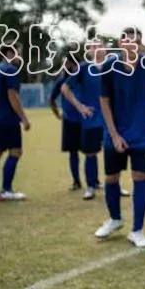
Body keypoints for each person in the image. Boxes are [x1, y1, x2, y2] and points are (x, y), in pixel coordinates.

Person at [93, 30, 145, 248]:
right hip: (115, 134)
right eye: (129, 42)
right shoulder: (110, 67)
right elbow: (104, 101)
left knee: (140, 177)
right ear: (121, 43)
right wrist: (114, 135)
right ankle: (115, 219)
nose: (133, 46)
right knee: (111, 178)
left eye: (137, 42)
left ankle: (137, 230)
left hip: (141, 134)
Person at [62, 41, 130, 200]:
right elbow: (64, 88)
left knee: (114, 152)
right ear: (88, 51)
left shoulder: (115, 65)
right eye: (92, 47)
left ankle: (116, 185)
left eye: (99, 46)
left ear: (105, 49)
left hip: (112, 119)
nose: (96, 49)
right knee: (90, 154)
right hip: (92, 119)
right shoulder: (84, 68)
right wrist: (80, 107)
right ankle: (91, 186)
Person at [0, 43, 30, 202]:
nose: (21, 56)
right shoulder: (10, 70)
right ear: (11, 52)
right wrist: (24, 118)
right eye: (19, 53)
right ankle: (6, 190)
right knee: (15, 151)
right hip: (7, 119)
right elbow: (12, 96)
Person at [49, 56, 83, 191]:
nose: (66, 66)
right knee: (73, 152)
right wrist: (58, 115)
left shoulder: (83, 78)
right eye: (65, 63)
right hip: (70, 121)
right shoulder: (62, 81)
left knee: (90, 152)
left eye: (68, 63)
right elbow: (51, 99)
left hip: (85, 119)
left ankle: (94, 181)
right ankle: (76, 181)